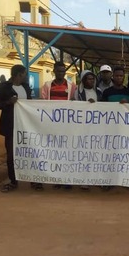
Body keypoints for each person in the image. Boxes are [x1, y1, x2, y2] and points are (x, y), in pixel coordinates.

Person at [0, 65, 41, 192]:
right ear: (19, 74)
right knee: (11, 155)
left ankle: (33, 179)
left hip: (26, 126)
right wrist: (8, 102)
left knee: (30, 153)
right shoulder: (4, 87)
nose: (26, 76)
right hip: (11, 126)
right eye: (25, 74)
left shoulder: (25, 87)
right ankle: (13, 180)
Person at [42, 61, 76, 190]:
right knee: (56, 153)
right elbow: (44, 104)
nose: (61, 73)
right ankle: (58, 178)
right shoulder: (47, 86)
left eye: (63, 71)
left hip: (67, 124)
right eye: (58, 71)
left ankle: (67, 179)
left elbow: (75, 103)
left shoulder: (72, 86)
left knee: (67, 152)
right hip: (53, 124)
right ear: (54, 71)